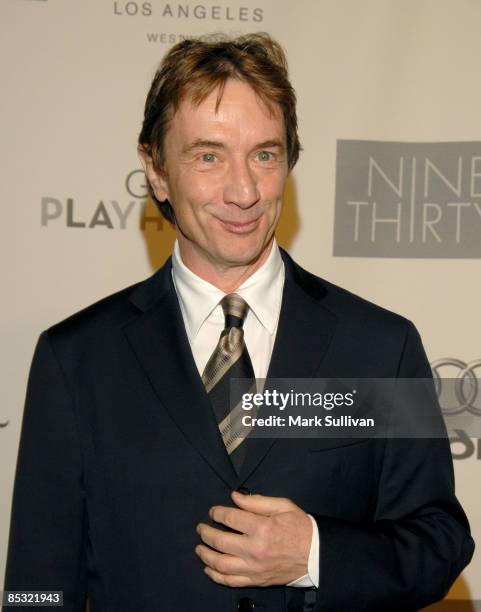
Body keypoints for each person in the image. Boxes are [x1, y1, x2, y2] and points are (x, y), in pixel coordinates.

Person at [3, 32, 474, 612]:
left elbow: (438, 543)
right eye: (208, 155)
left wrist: (316, 554)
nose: (244, 190)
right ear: (155, 170)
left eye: (264, 154)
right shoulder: (78, 359)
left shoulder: (379, 345)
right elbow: (36, 589)